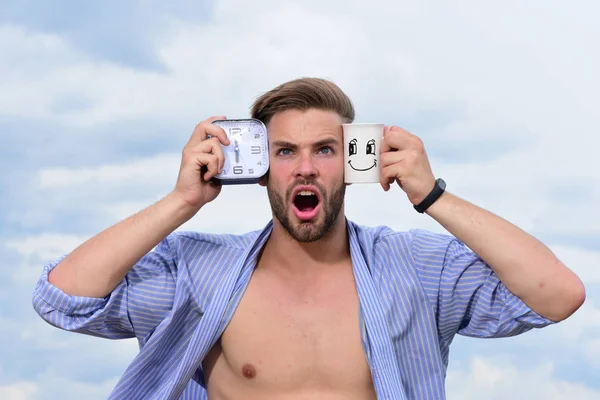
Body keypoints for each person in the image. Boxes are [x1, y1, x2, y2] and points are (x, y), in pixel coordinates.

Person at [32, 77, 585, 400]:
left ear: (351, 162)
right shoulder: (199, 273)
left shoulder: (413, 269)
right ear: (258, 168)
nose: (304, 169)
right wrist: (182, 203)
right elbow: (62, 298)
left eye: (324, 150)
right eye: (284, 152)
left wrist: (432, 196)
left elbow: (557, 295)